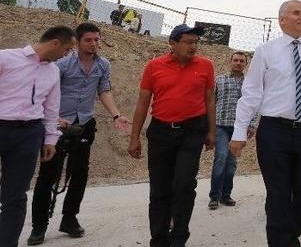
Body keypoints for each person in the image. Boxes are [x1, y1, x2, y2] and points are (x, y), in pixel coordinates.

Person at [230, 0, 301, 247]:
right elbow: (252, 93)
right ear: (282, 20)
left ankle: (289, 238)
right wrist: (238, 131)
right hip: (274, 131)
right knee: (278, 194)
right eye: (296, 13)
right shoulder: (266, 51)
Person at [27, 23, 131, 245]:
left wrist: (115, 115)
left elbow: (104, 91)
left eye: (97, 39)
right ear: (78, 41)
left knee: (80, 173)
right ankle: (39, 226)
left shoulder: (103, 65)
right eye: (88, 40)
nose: (94, 44)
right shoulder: (62, 64)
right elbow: (45, 91)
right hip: (57, 125)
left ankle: (69, 219)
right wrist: (51, 120)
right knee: (48, 175)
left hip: (84, 124)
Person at [127, 24, 216, 247]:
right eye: (188, 42)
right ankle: (158, 239)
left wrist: (212, 131)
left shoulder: (206, 66)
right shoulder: (153, 67)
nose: (193, 46)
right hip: (160, 132)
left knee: (184, 184)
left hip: (192, 132)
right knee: (159, 189)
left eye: (196, 42)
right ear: (172, 43)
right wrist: (134, 137)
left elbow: (209, 100)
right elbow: (143, 103)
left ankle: (179, 238)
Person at [0, 26, 74, 247]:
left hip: (29, 134)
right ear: (55, 44)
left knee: (15, 195)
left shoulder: (52, 71)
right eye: (67, 49)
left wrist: (51, 139)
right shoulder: (6, 58)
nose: (66, 55)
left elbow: (51, 108)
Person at [208, 51, 256, 210]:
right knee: (221, 158)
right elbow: (211, 102)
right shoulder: (219, 80)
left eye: (241, 61)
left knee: (231, 163)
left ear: (245, 64)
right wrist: (210, 126)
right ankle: (214, 196)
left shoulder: (250, 84)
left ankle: (226, 195)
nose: (238, 63)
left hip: (239, 129)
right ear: (230, 62)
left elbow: (254, 105)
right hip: (221, 126)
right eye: (235, 60)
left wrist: (252, 124)